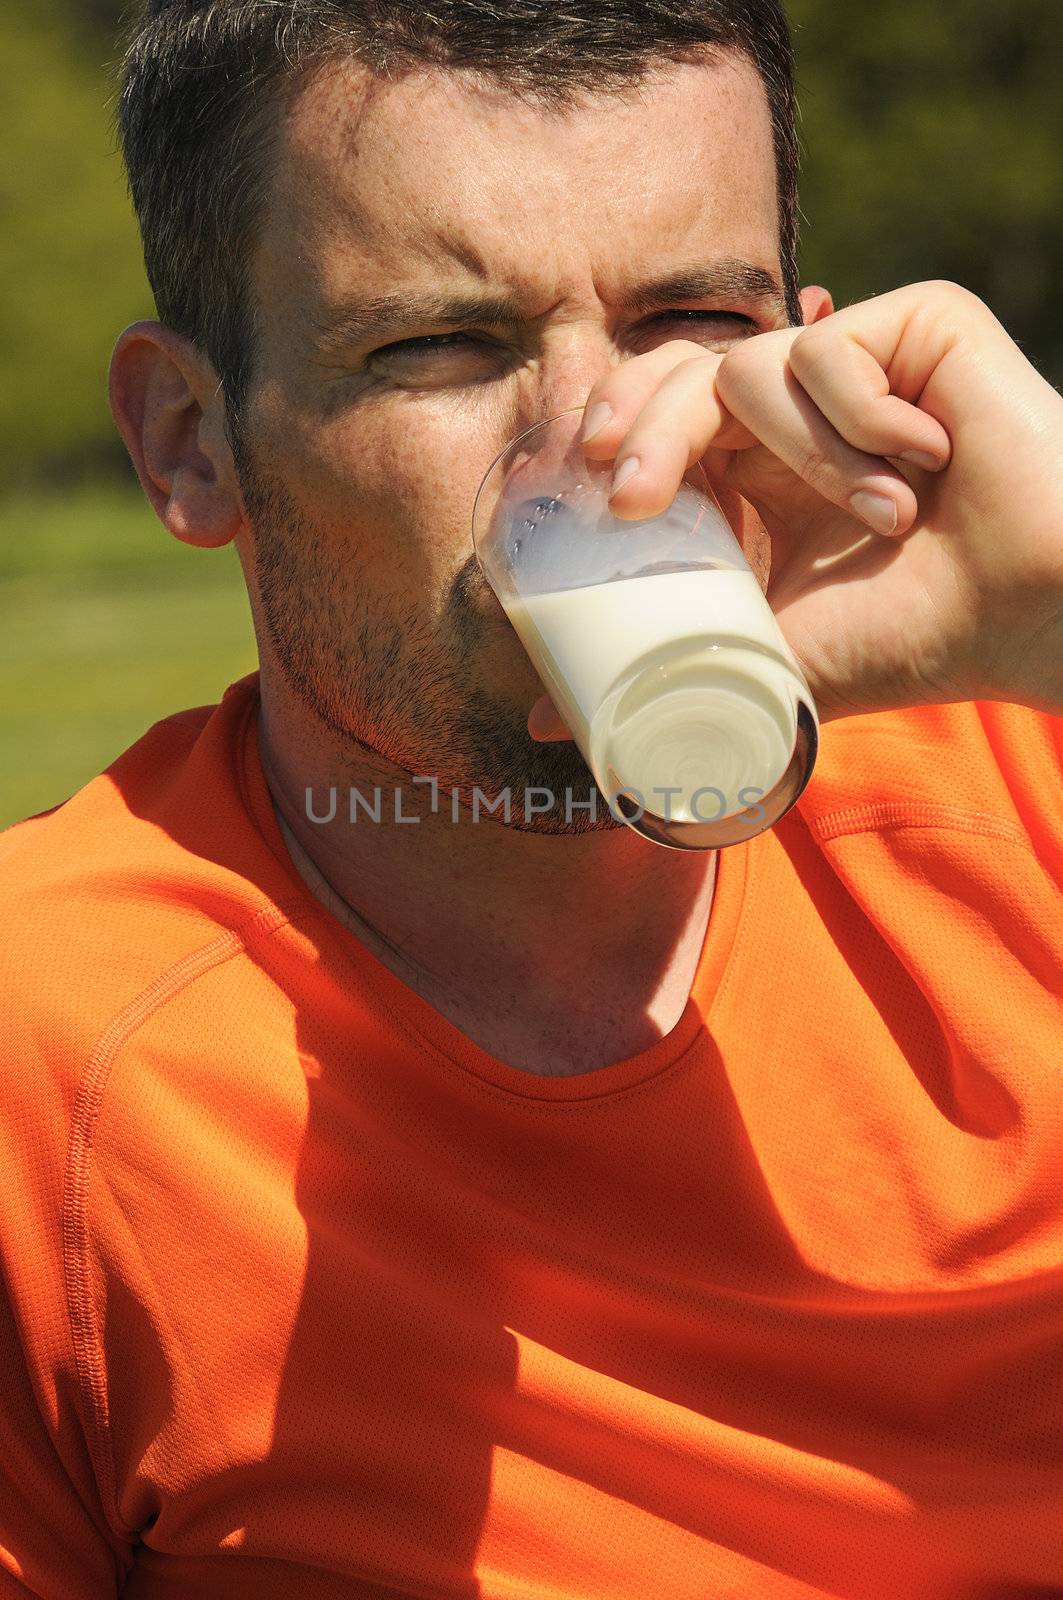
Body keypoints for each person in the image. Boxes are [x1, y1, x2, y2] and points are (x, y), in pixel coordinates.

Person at [1, 0, 1061, 1594]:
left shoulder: (1024, 780)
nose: (598, 446)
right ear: (192, 440)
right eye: (440, 345)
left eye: (692, 318)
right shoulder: (53, 1060)